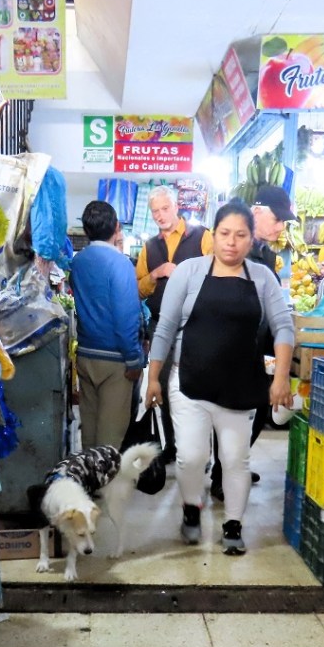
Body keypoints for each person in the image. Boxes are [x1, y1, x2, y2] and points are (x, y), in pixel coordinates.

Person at [145, 200, 294, 555]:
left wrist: (282, 377)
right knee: (191, 457)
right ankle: (191, 508)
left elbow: (284, 325)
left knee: (235, 459)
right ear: (214, 235)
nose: (231, 242)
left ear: (250, 237)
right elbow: (165, 327)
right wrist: (152, 377)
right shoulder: (190, 271)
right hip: (188, 382)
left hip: (240, 386)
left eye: (240, 235)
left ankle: (233, 524)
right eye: (225, 233)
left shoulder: (262, 277)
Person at [210, 184, 296, 500]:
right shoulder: (234, 251)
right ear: (258, 213)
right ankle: (223, 475)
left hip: (256, 349)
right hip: (232, 349)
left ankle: (232, 466)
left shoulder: (264, 254)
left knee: (253, 412)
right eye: (278, 219)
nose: (281, 226)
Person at [135, 185, 214, 463]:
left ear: (176, 207)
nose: (160, 215)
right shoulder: (150, 247)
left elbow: (217, 274)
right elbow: (139, 289)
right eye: (155, 211)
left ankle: (199, 451)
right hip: (160, 326)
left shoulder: (202, 237)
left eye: (164, 208)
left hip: (197, 324)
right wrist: (156, 273)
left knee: (198, 385)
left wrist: (183, 273)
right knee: (162, 385)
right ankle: (172, 445)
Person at [69, 201, 143, 449]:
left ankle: (88, 484)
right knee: (110, 437)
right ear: (117, 227)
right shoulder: (120, 264)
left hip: (86, 355)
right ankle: (105, 486)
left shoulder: (78, 263)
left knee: (89, 430)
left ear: (86, 230)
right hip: (115, 360)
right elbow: (126, 317)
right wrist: (133, 358)